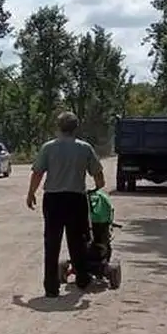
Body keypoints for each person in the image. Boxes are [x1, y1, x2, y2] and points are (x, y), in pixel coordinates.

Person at [26, 111, 106, 297]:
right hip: (76, 199)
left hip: (53, 199)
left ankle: (51, 287)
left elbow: (37, 173)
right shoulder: (85, 148)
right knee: (77, 240)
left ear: (58, 127)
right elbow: (99, 176)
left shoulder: (48, 147)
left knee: (52, 242)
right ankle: (82, 278)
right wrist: (97, 187)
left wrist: (31, 193)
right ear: (75, 128)